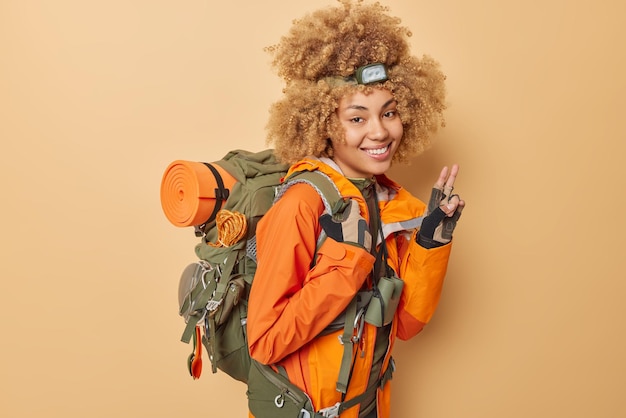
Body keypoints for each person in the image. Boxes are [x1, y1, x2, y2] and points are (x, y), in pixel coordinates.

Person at [246, 1, 465, 417]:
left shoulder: (390, 204)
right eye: (357, 119)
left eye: (390, 112)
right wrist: (346, 265)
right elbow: (265, 341)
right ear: (324, 124)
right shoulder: (301, 204)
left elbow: (405, 324)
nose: (380, 131)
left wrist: (432, 240)